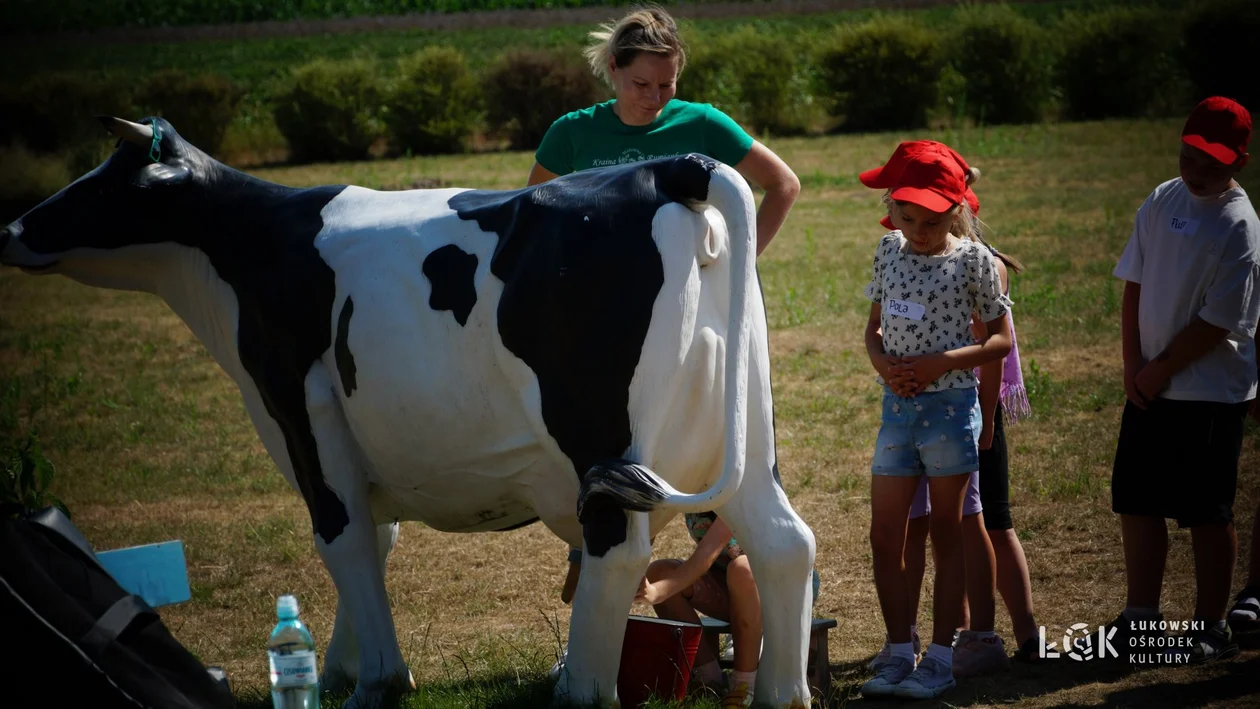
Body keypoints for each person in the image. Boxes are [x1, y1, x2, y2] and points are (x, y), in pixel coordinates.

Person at [1100, 95, 1258, 663]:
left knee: (1205, 512)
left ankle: (1210, 623)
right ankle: (1140, 615)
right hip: (1148, 382)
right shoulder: (1163, 197)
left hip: (1207, 393)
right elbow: (1134, 283)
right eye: (1190, 156)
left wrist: (1160, 368)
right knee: (1137, 501)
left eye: (1213, 163)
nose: (1196, 170)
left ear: (1239, 163)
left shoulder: (1239, 225)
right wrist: (1131, 366)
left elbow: (1217, 323)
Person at [859, 143, 1013, 699]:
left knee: (948, 532)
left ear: (956, 211)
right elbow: (873, 329)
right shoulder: (887, 251)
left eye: (931, 220)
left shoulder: (973, 261)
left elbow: (1001, 340)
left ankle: (942, 658)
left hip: (949, 409)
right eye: (907, 218)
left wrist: (938, 365)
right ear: (893, 208)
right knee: (885, 533)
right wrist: (883, 365)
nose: (918, 231)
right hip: (897, 409)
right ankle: (900, 650)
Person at [525, 3, 800, 256]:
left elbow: (783, 184)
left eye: (666, 85)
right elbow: (531, 211)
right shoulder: (571, 132)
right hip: (600, 292)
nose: (655, 98)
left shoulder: (703, 123)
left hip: (690, 291)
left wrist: (740, 261)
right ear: (613, 67)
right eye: (641, 84)